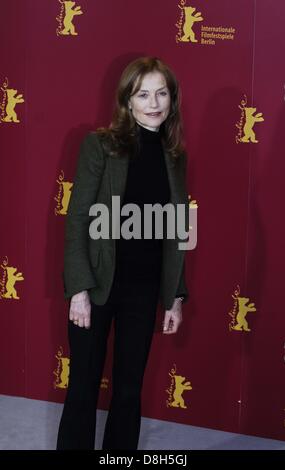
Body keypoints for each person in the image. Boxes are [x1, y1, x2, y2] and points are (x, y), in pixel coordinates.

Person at [56, 56, 189, 450]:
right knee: (82, 387)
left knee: (129, 391)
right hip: (97, 286)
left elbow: (176, 232)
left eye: (161, 93)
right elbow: (78, 217)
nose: (154, 103)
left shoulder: (175, 158)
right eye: (143, 94)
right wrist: (78, 289)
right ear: (127, 101)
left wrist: (175, 296)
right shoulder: (99, 146)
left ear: (172, 99)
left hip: (143, 291)